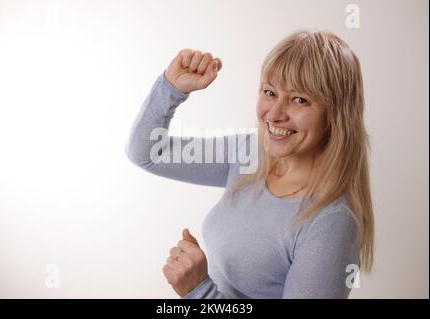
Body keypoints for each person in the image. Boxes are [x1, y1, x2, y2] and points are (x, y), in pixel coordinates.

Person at [125, 30, 375, 299]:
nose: (275, 114)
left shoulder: (331, 222)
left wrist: (198, 291)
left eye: (299, 99)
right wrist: (170, 88)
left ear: (335, 115)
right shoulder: (249, 154)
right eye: (270, 92)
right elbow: (149, 152)